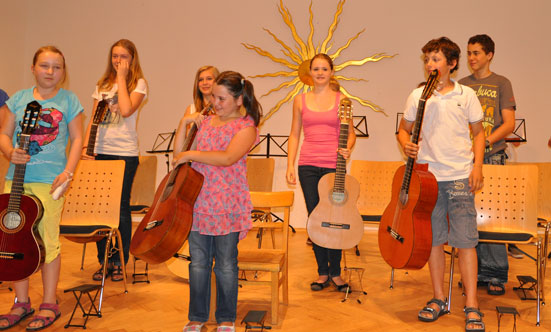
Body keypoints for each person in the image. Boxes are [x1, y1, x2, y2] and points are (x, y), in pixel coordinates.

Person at [397, 37, 485, 332]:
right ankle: (438, 298)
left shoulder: (466, 94)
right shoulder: (418, 95)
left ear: (452, 63)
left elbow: (479, 133)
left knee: (465, 242)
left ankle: (472, 305)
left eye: (436, 59)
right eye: (427, 60)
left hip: (460, 176)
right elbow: (403, 129)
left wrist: (477, 167)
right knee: (434, 239)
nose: (430, 65)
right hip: (428, 179)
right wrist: (405, 144)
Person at [0, 46, 83, 330]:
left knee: (48, 241)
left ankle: (49, 302)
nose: (50, 72)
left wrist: (68, 173)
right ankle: (21, 302)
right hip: (16, 180)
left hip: (50, 181)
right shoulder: (19, 99)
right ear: (33, 68)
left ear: (63, 71)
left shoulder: (69, 100)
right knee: (14, 239)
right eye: (45, 66)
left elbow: (77, 139)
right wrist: (10, 152)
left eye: (57, 67)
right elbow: (4, 134)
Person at [173, 71, 262, 332]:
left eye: (222, 98)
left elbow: (226, 158)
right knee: (198, 263)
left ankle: (226, 319)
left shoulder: (246, 127)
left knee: (225, 264)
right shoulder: (207, 121)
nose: (216, 103)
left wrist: (191, 153)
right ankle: (197, 317)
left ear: (238, 99)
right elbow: (178, 155)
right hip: (198, 201)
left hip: (227, 203)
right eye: (214, 97)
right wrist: (184, 123)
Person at [286, 53, 356, 293]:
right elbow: (294, 134)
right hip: (307, 165)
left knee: (334, 218)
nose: (319, 73)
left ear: (331, 72)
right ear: (310, 72)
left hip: (334, 166)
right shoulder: (299, 100)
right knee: (315, 217)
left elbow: (351, 132)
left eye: (324, 68)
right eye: (315, 68)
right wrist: (289, 165)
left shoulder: (342, 99)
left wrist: (347, 148)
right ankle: (322, 272)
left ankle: (336, 272)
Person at [82, 39, 147, 282]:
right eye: (114, 56)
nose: (118, 60)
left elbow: (127, 109)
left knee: (119, 207)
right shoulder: (102, 85)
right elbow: (93, 118)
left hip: (124, 153)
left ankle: (120, 261)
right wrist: (87, 148)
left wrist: (121, 77)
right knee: (100, 209)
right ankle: (104, 261)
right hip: (100, 150)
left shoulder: (138, 83)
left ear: (132, 59)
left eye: (123, 56)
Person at [459, 34, 517, 296]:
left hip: (492, 156)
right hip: (465, 160)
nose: (472, 58)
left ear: (489, 54)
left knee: (492, 217)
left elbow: (508, 124)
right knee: (469, 217)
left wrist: (482, 144)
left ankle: (495, 273)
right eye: (469, 53)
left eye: (477, 53)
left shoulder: (501, 83)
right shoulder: (461, 85)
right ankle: (475, 273)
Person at [174, 65, 219, 154]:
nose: (204, 83)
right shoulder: (191, 109)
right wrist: (184, 121)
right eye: (200, 80)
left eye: (209, 78)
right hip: (196, 164)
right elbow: (181, 151)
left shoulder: (225, 108)